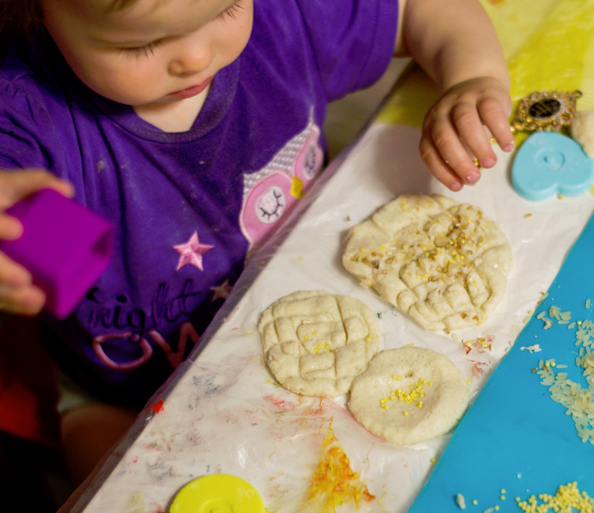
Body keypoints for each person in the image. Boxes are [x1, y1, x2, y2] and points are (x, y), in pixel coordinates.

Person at [0, 0, 514, 490]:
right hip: (124, 389)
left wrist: (472, 77)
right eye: (140, 45)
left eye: (225, 9)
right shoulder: (27, 114)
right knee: (119, 482)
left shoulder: (283, 19)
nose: (196, 56)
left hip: (320, 306)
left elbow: (422, 10)